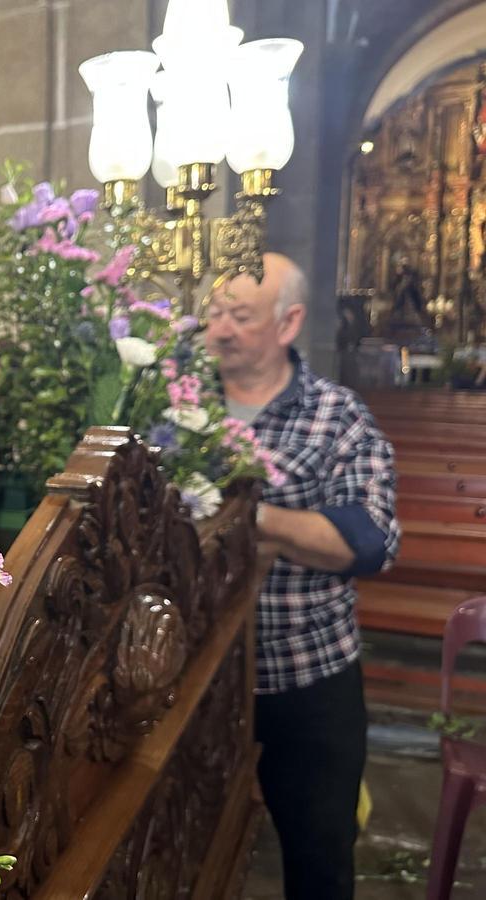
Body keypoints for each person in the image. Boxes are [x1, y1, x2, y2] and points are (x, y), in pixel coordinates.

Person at [205, 254, 401, 900]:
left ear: (289, 323)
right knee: (185, 852)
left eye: (240, 315)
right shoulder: (175, 404)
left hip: (305, 678)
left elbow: (367, 540)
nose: (221, 330)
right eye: (214, 313)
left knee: (319, 859)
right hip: (195, 682)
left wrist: (253, 519)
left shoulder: (336, 416)